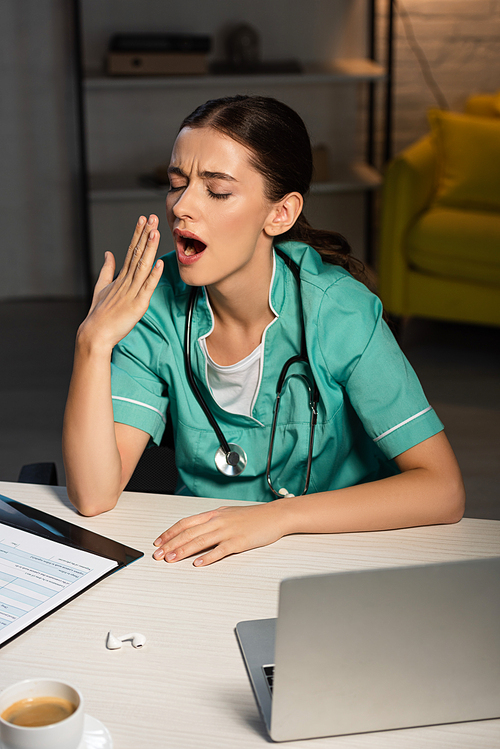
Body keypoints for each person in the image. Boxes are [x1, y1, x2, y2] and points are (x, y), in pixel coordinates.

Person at [62, 95, 465, 567]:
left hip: (335, 555)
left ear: (280, 214)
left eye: (216, 190)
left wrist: (278, 518)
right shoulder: (149, 306)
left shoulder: (340, 312)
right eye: (176, 184)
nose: (181, 206)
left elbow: (443, 489)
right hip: (202, 557)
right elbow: (93, 496)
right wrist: (92, 343)